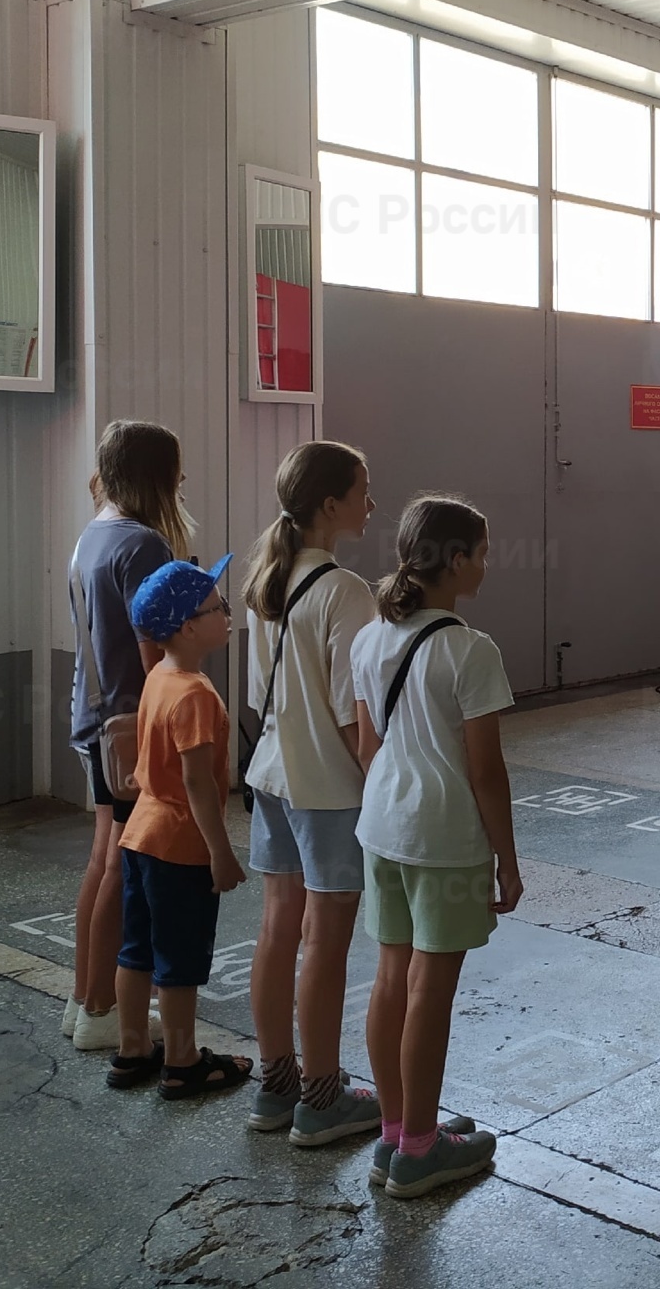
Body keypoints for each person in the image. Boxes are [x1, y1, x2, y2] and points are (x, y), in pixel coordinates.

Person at [353, 496, 521, 1198]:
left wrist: (397, 802)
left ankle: (396, 1133)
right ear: (455, 562)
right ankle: (423, 1150)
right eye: (482, 552)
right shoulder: (470, 651)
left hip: (382, 828)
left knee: (391, 978)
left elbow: (369, 748)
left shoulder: (370, 639)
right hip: (444, 840)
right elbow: (486, 770)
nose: (487, 563)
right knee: (430, 990)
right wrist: (506, 862)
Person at [240, 442, 383, 1143]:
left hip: (270, 777)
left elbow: (252, 695)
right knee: (325, 942)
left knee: (275, 930)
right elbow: (354, 714)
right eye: (363, 489)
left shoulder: (266, 579)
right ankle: (325, 1099)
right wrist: (385, 794)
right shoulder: (345, 592)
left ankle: (277, 1085)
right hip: (327, 790)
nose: (371, 502)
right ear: (330, 505)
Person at [65, 420, 194, 1053]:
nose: (182, 480)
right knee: (121, 861)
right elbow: (155, 659)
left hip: (93, 718)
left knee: (102, 856)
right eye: (176, 470)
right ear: (155, 475)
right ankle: (98, 1008)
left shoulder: (94, 532)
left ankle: (83, 997)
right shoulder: (144, 544)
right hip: (129, 722)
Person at [109, 556, 257, 1098]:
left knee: (137, 949)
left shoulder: (159, 677)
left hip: (139, 835)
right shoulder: (194, 692)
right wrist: (221, 853)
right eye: (218, 607)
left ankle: (131, 1050)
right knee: (179, 959)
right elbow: (197, 783)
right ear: (188, 626)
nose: (228, 612)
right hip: (178, 844)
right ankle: (182, 1061)